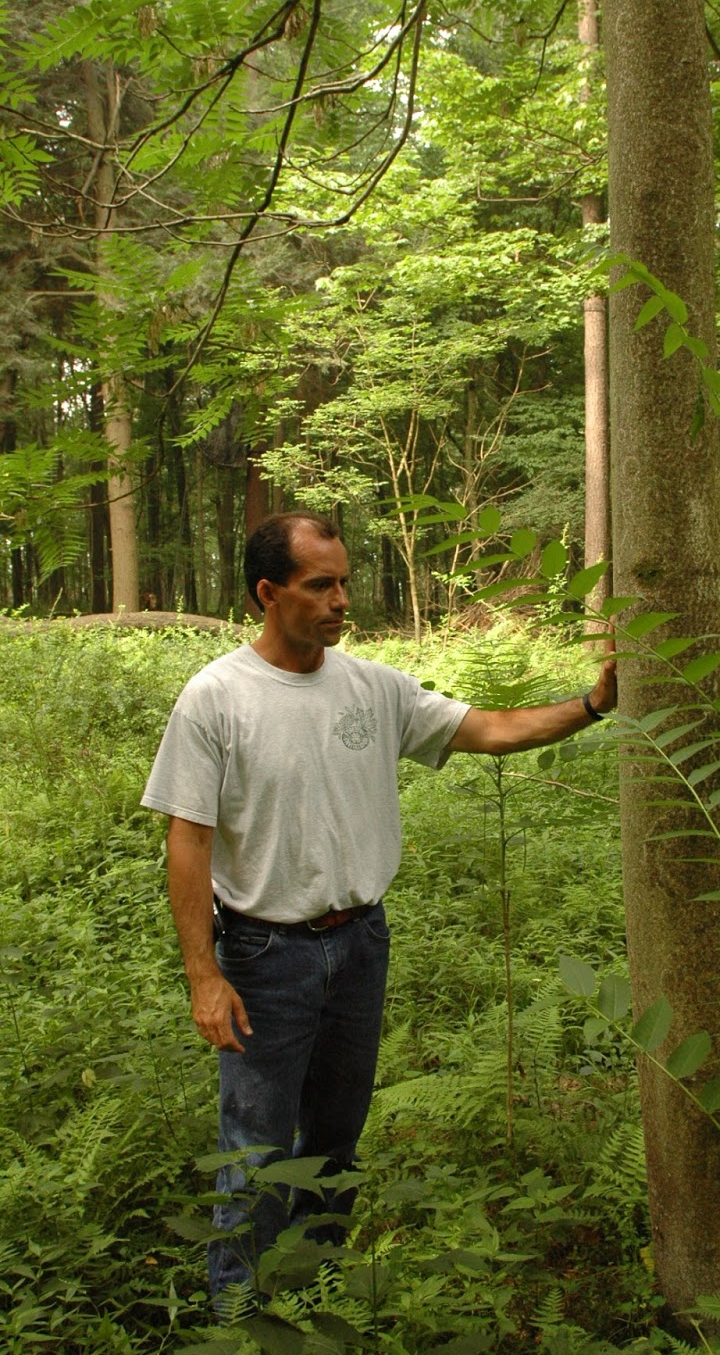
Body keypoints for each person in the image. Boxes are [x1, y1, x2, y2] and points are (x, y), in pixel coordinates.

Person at [142, 511, 616, 1300]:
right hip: (265, 957)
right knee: (255, 1148)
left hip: (360, 944)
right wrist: (202, 974)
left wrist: (592, 704)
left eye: (345, 584)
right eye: (320, 585)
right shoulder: (216, 699)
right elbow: (187, 840)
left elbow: (489, 728)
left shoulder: (372, 686)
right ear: (268, 592)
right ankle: (238, 1321)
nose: (340, 602)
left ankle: (318, 1290)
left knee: (334, 1137)